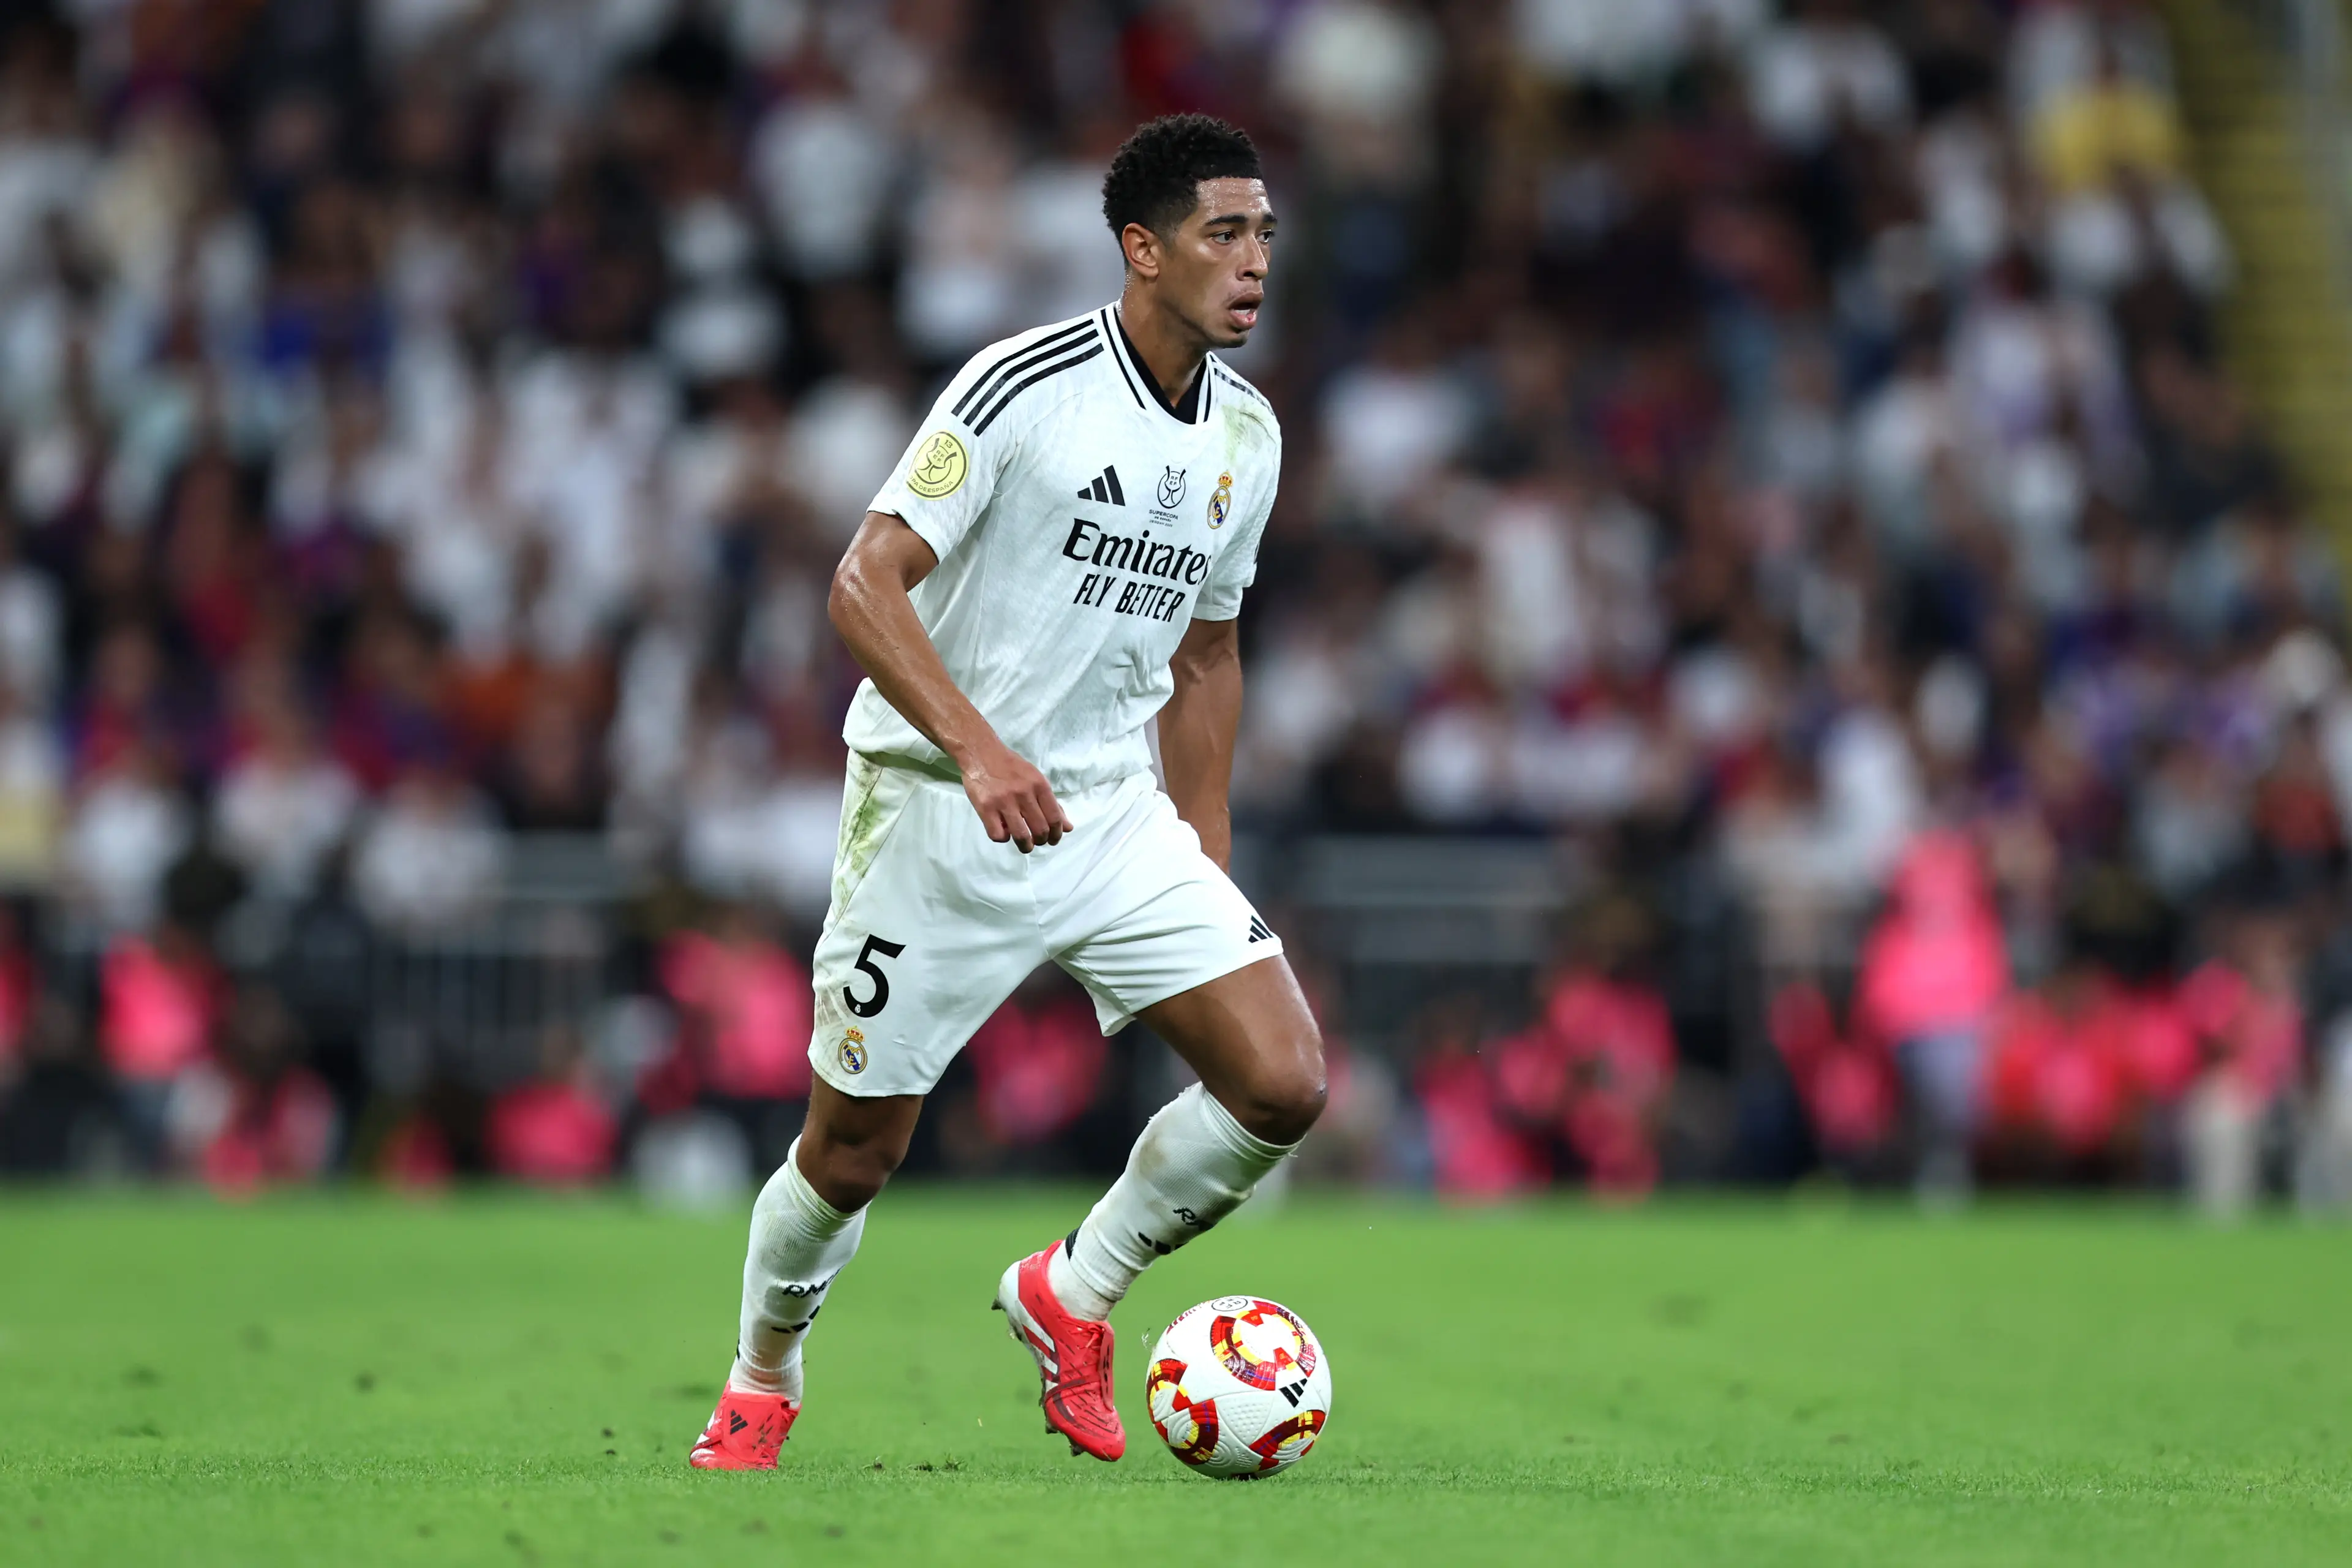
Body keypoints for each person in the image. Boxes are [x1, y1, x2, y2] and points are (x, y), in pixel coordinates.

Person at [689, 115, 1322, 1471]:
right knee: (850, 1152)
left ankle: (1072, 1291)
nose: (1255, 259)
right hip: (935, 803)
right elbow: (863, 581)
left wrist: (1204, 846)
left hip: (1108, 808)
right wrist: (979, 748)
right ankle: (764, 1367)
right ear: (1141, 251)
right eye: (1226, 232)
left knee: (1280, 1080)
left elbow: (1208, 655)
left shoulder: (1249, 439)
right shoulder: (1023, 385)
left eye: (1265, 231)